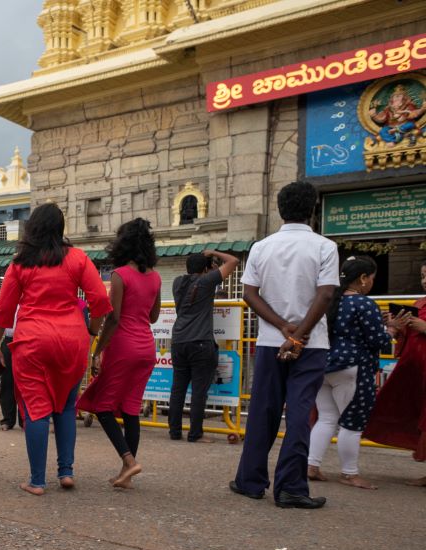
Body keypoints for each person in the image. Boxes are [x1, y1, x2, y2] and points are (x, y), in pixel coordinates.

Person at [0, 203, 111, 495]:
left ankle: (37, 480)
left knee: (36, 411)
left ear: (32, 227)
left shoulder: (20, 263)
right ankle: (66, 472)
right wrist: (92, 330)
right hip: (72, 340)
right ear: (61, 228)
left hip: (32, 342)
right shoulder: (78, 258)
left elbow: (4, 310)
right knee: (67, 407)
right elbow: (99, 301)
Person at [230, 181, 338, 509]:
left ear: (280, 209)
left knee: (263, 410)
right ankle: (291, 487)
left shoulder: (262, 247)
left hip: (269, 340)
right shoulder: (324, 246)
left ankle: (250, 481)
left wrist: (282, 328)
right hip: (312, 343)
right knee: (300, 411)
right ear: (313, 209)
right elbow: (326, 294)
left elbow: (249, 293)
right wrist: (300, 334)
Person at [307, 256, 406, 490]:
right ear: (363, 278)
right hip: (353, 368)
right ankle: (349, 473)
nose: (372, 282)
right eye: (371, 278)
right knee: (352, 422)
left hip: (325, 365)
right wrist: (392, 329)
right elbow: (377, 340)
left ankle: (311, 466)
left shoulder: (330, 300)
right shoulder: (364, 304)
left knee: (326, 418)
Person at [77, 219, 161, 489]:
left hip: (123, 347)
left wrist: (97, 350)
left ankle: (128, 461)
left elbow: (112, 319)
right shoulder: (156, 277)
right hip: (147, 348)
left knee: (103, 407)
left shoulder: (120, 275)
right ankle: (126, 472)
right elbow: (154, 315)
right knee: (131, 408)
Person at [364, 259, 426, 485]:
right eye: (422, 276)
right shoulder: (420, 302)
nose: (425, 281)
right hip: (416, 369)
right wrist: (396, 324)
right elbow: (407, 333)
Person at [167, 249, 239, 443]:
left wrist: (208, 267)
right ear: (206, 269)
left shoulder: (177, 282)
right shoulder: (207, 282)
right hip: (200, 342)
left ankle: (174, 432)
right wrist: (213, 253)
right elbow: (233, 261)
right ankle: (195, 434)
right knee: (199, 391)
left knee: (178, 388)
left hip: (179, 341)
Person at [0, 308, 20, 431]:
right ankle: (7, 419)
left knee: (26, 382)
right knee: (7, 380)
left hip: (26, 339)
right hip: (9, 339)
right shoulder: (10, 297)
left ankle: (25, 419)